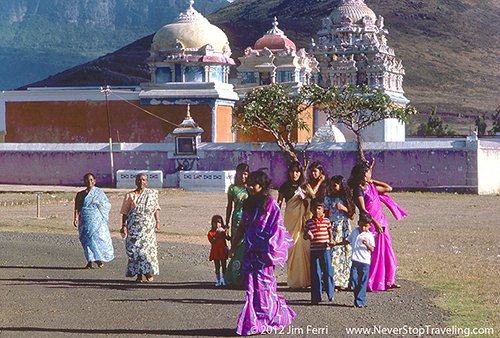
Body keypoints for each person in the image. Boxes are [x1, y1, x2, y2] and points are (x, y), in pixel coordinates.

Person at [231, 171, 295, 336]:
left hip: (264, 255)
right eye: (249, 184)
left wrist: (267, 249)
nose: (250, 187)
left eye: (254, 184)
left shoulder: (270, 205)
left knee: (265, 289)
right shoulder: (248, 204)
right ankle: (253, 322)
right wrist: (233, 245)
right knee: (251, 290)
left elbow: (277, 228)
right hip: (250, 253)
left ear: (262, 185)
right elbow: (243, 226)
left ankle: (269, 318)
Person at [348, 160, 407, 291]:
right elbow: (364, 210)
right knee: (374, 252)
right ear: (363, 175)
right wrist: (375, 223)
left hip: (382, 222)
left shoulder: (371, 187)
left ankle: (388, 279)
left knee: (386, 251)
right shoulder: (358, 190)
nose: (370, 174)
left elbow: (388, 188)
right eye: (369, 172)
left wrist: (373, 181)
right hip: (372, 224)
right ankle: (372, 280)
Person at [277, 161, 313, 288]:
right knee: (291, 249)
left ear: (300, 172)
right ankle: (294, 280)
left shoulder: (305, 186)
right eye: (292, 171)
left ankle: (306, 280)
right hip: (290, 220)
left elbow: (314, 202)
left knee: (303, 247)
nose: (295, 174)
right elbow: (279, 204)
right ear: (289, 172)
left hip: (303, 221)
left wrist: (306, 200)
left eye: (297, 171)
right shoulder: (284, 187)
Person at [120, 173, 161, 283]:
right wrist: (123, 226)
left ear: (146, 182)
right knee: (135, 251)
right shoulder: (129, 195)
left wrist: (157, 221)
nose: (141, 182)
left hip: (147, 228)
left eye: (143, 180)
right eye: (139, 180)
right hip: (134, 228)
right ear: (135, 181)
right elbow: (125, 212)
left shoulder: (151, 194)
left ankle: (147, 273)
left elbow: (155, 208)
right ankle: (139, 274)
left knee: (146, 251)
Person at [333, 213, 375, 307]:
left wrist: (367, 244)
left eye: (366, 226)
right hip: (355, 260)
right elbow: (348, 241)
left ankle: (360, 301)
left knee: (363, 281)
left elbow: (372, 249)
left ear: (369, 226)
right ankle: (357, 298)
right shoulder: (355, 231)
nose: (363, 228)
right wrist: (336, 243)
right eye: (361, 225)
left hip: (365, 262)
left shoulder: (369, 235)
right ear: (358, 223)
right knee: (354, 280)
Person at [73, 173, 114, 269]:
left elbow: (106, 205)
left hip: (96, 221)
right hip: (84, 221)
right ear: (84, 181)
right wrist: (76, 218)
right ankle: (90, 260)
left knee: (95, 240)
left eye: (91, 180)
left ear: (95, 181)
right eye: (87, 180)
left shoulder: (99, 193)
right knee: (86, 240)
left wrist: (100, 215)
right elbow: (77, 208)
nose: (89, 182)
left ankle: (98, 259)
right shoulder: (80, 194)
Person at [324, 175, 355, 290]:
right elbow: (326, 214)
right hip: (332, 227)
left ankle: (343, 280)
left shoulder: (346, 198)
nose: (332, 187)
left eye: (335, 185)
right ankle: (332, 280)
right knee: (333, 253)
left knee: (344, 253)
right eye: (331, 185)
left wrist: (344, 208)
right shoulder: (328, 198)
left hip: (343, 227)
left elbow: (352, 216)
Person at [303, 198, 334, 305]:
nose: (317, 211)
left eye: (319, 209)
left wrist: (331, 240)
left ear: (323, 210)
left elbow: (330, 231)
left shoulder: (326, 221)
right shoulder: (309, 222)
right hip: (314, 250)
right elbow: (305, 236)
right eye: (315, 209)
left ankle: (330, 293)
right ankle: (316, 297)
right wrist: (308, 235)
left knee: (328, 271)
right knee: (315, 273)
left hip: (325, 249)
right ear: (311, 209)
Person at [225, 163, 249, 286]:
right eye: (240, 174)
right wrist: (226, 224)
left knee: (246, 248)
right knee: (236, 247)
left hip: (249, 221)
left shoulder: (251, 188)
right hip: (236, 220)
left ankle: (245, 276)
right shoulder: (233, 188)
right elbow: (229, 206)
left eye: (245, 174)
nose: (242, 176)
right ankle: (233, 276)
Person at [207, 215, 229, 287]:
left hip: (222, 250)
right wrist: (217, 234)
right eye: (215, 223)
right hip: (216, 252)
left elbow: (227, 238)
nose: (217, 225)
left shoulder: (222, 231)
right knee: (217, 266)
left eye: (219, 223)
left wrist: (226, 231)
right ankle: (218, 280)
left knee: (224, 266)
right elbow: (212, 241)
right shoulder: (210, 233)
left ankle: (224, 279)